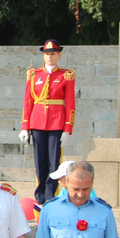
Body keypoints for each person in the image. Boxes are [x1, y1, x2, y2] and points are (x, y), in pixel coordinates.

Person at [18, 39, 76, 206]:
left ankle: (51, 196)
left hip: (57, 123)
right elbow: (28, 102)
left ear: (59, 55)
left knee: (54, 161)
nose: (49, 57)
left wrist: (67, 128)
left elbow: (70, 103)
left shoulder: (66, 76)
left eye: (53, 54)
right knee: (39, 161)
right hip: (37, 122)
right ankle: (40, 196)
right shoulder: (34, 75)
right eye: (47, 54)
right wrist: (24, 127)